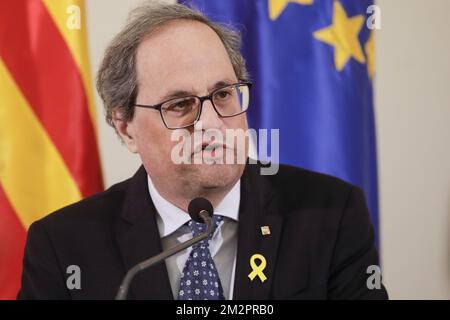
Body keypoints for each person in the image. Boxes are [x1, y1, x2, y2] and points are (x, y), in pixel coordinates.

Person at [18, 2, 387, 300]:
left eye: (223, 94)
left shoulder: (332, 214)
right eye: (180, 104)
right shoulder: (63, 246)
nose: (211, 122)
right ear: (126, 127)